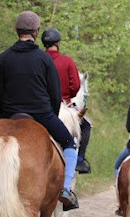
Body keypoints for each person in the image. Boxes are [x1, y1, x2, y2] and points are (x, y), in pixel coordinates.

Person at [0, 10, 79, 210]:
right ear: (36, 31)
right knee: (68, 143)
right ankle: (66, 190)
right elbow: (55, 94)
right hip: (42, 114)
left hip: (8, 113)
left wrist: (5, 113)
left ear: (17, 31)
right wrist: (49, 112)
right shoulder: (44, 59)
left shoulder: (3, 58)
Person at [41, 28, 92, 174]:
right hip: (64, 104)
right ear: (58, 43)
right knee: (87, 125)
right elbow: (76, 85)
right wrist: (67, 95)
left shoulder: (39, 58)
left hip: (41, 104)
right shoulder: (67, 61)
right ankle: (80, 160)